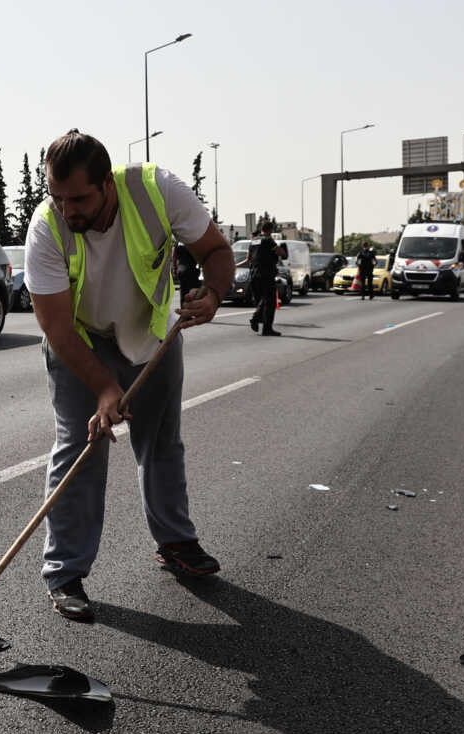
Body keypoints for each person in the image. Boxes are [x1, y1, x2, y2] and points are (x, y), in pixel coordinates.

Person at [23, 129, 235, 620]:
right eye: (57, 198)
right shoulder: (46, 227)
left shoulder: (157, 190)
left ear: (108, 186)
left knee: (161, 442)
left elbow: (216, 251)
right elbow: (54, 322)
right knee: (81, 446)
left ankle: (176, 543)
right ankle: (65, 574)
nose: (67, 210)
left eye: (78, 199)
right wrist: (102, 387)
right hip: (80, 341)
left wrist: (214, 293)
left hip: (153, 338)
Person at [248, 221, 287, 335]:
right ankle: (265, 326)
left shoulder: (254, 241)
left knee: (263, 299)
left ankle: (260, 322)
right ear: (270, 230)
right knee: (270, 301)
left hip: (255, 274)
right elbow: (281, 253)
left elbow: (249, 257)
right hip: (266, 273)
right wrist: (282, 251)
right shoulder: (268, 240)